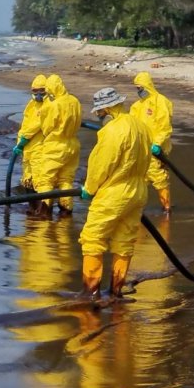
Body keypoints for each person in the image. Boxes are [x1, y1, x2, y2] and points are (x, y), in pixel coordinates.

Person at [79, 88, 152, 299]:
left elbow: (101, 165)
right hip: (138, 191)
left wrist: (89, 189)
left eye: (100, 112)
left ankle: (90, 294)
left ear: (108, 108)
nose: (99, 116)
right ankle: (116, 292)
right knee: (125, 240)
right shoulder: (141, 126)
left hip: (114, 193)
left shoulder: (113, 131)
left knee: (93, 238)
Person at [32, 74, 82, 217]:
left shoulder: (54, 105)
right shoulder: (75, 101)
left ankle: (44, 212)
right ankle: (66, 210)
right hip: (73, 143)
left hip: (56, 145)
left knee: (45, 179)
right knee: (66, 179)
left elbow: (47, 127)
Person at [129, 71, 174, 214]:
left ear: (146, 86)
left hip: (156, 150)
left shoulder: (161, 102)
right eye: (137, 88)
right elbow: (131, 125)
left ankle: (166, 209)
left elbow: (165, 127)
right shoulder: (137, 106)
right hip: (141, 149)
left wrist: (157, 144)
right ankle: (137, 211)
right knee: (140, 178)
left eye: (140, 88)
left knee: (158, 177)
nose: (138, 91)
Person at [12, 74, 48, 210]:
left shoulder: (48, 106)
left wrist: (22, 141)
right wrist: (19, 143)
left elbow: (35, 126)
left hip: (40, 148)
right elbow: (25, 125)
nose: (38, 94)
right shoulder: (31, 105)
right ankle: (32, 212)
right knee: (28, 180)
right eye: (35, 91)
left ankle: (43, 213)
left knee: (40, 181)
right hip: (28, 150)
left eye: (42, 91)